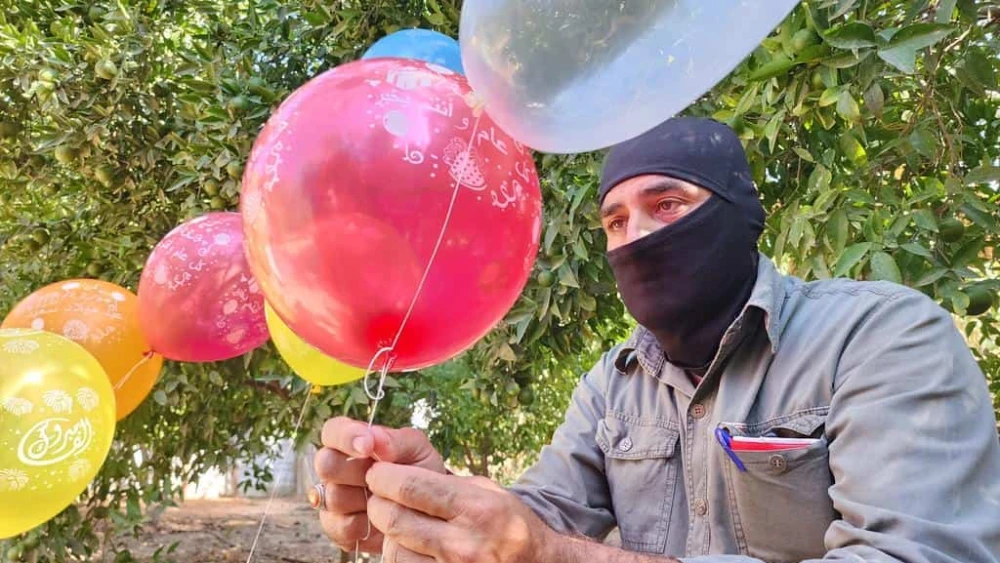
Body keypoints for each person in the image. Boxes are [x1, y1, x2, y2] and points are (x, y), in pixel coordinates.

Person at [311, 117, 1000, 563]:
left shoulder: (882, 337)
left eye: (667, 206)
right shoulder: (613, 387)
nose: (636, 238)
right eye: (615, 221)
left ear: (741, 215)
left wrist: (555, 555)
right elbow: (533, 518)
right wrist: (429, 507)